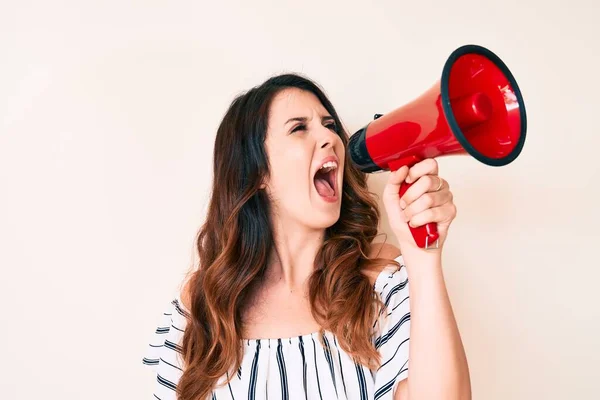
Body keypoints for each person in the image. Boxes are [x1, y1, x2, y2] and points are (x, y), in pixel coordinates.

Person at [142, 73, 471, 400]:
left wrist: (423, 259)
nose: (330, 138)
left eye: (329, 125)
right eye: (299, 128)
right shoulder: (203, 304)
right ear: (257, 172)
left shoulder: (378, 282)